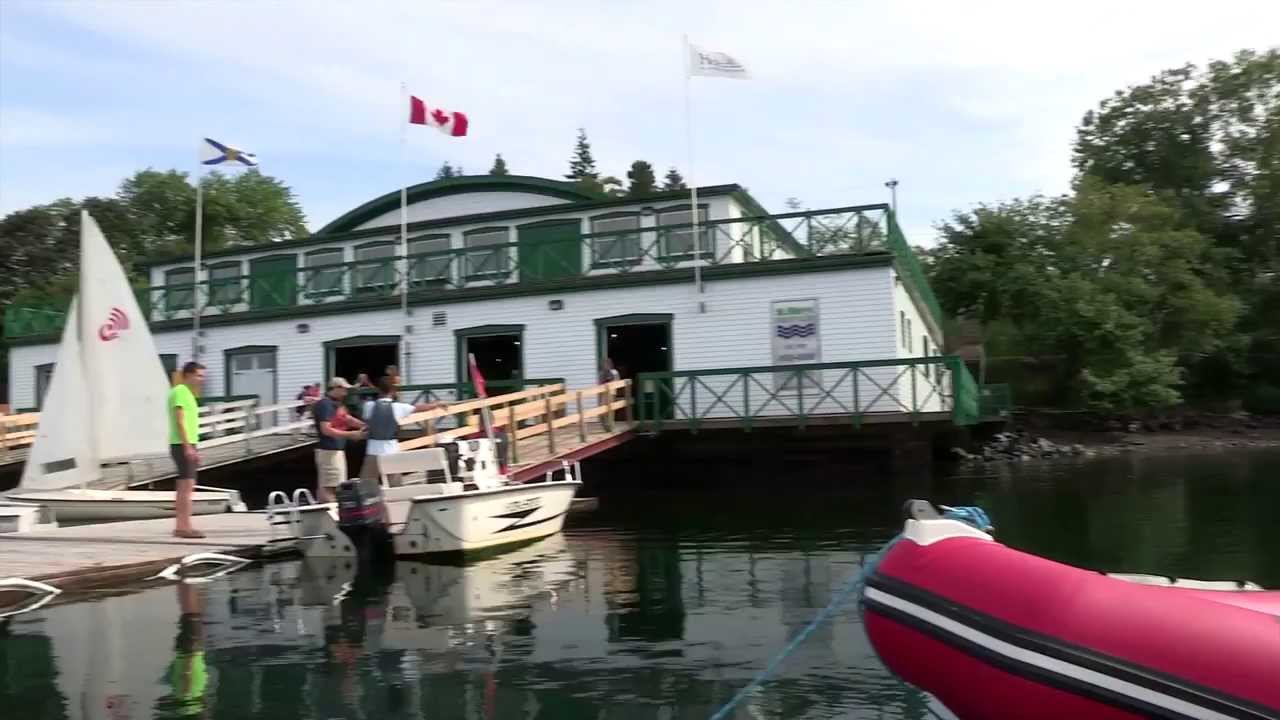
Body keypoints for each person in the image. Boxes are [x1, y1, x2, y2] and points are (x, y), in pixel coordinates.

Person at [359, 376, 445, 487]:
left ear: (379, 390)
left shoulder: (368, 406)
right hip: (391, 451)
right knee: (395, 486)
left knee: (365, 485)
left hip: (372, 451)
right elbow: (420, 407)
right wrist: (437, 404)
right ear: (393, 391)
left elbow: (367, 422)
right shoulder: (398, 407)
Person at [313, 377, 368, 503]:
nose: (346, 392)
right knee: (329, 488)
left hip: (336, 451)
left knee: (335, 484)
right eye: (344, 389)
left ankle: (327, 515)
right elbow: (326, 430)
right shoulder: (325, 404)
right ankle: (330, 517)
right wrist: (352, 434)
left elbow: (347, 419)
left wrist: (365, 426)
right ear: (336, 388)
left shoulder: (338, 405)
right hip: (328, 451)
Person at [169, 361, 206, 539]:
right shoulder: (180, 392)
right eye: (199, 375)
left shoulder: (188, 394)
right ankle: (184, 528)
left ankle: (181, 526)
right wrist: (187, 446)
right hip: (182, 444)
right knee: (187, 488)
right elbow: (180, 420)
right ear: (188, 375)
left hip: (186, 443)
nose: (202, 379)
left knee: (184, 487)